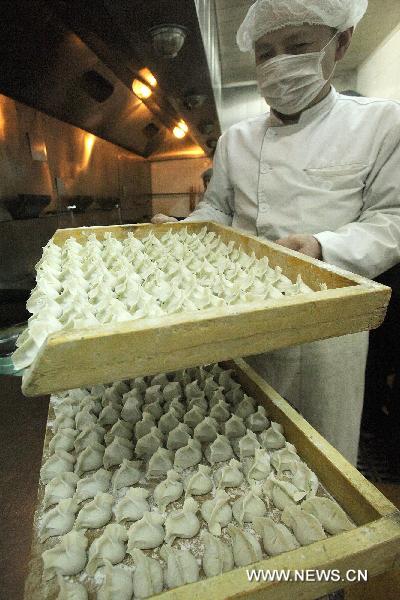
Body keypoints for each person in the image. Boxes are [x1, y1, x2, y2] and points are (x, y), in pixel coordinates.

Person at [152, 0, 400, 465]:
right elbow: (218, 209)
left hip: (328, 326)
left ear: (340, 42)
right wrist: (183, 231)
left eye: (297, 46)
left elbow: (393, 218)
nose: (280, 63)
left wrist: (324, 247)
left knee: (321, 455)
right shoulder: (236, 140)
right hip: (242, 316)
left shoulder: (382, 124)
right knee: (241, 443)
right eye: (266, 52)